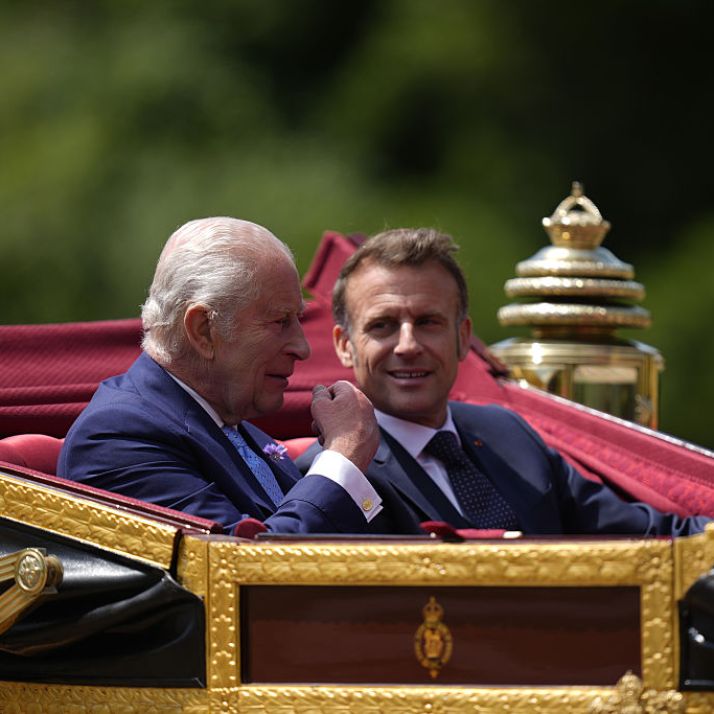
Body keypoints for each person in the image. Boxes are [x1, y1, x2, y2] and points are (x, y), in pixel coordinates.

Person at [297, 227, 711, 536]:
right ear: (345, 345)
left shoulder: (509, 434)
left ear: (463, 337)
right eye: (383, 326)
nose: (408, 345)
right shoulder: (332, 474)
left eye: (428, 322)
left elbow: (653, 535)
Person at [58, 217, 384, 534]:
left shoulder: (231, 425)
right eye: (280, 321)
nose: (302, 347)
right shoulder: (117, 439)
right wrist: (343, 456)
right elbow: (245, 563)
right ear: (203, 330)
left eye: (298, 319)